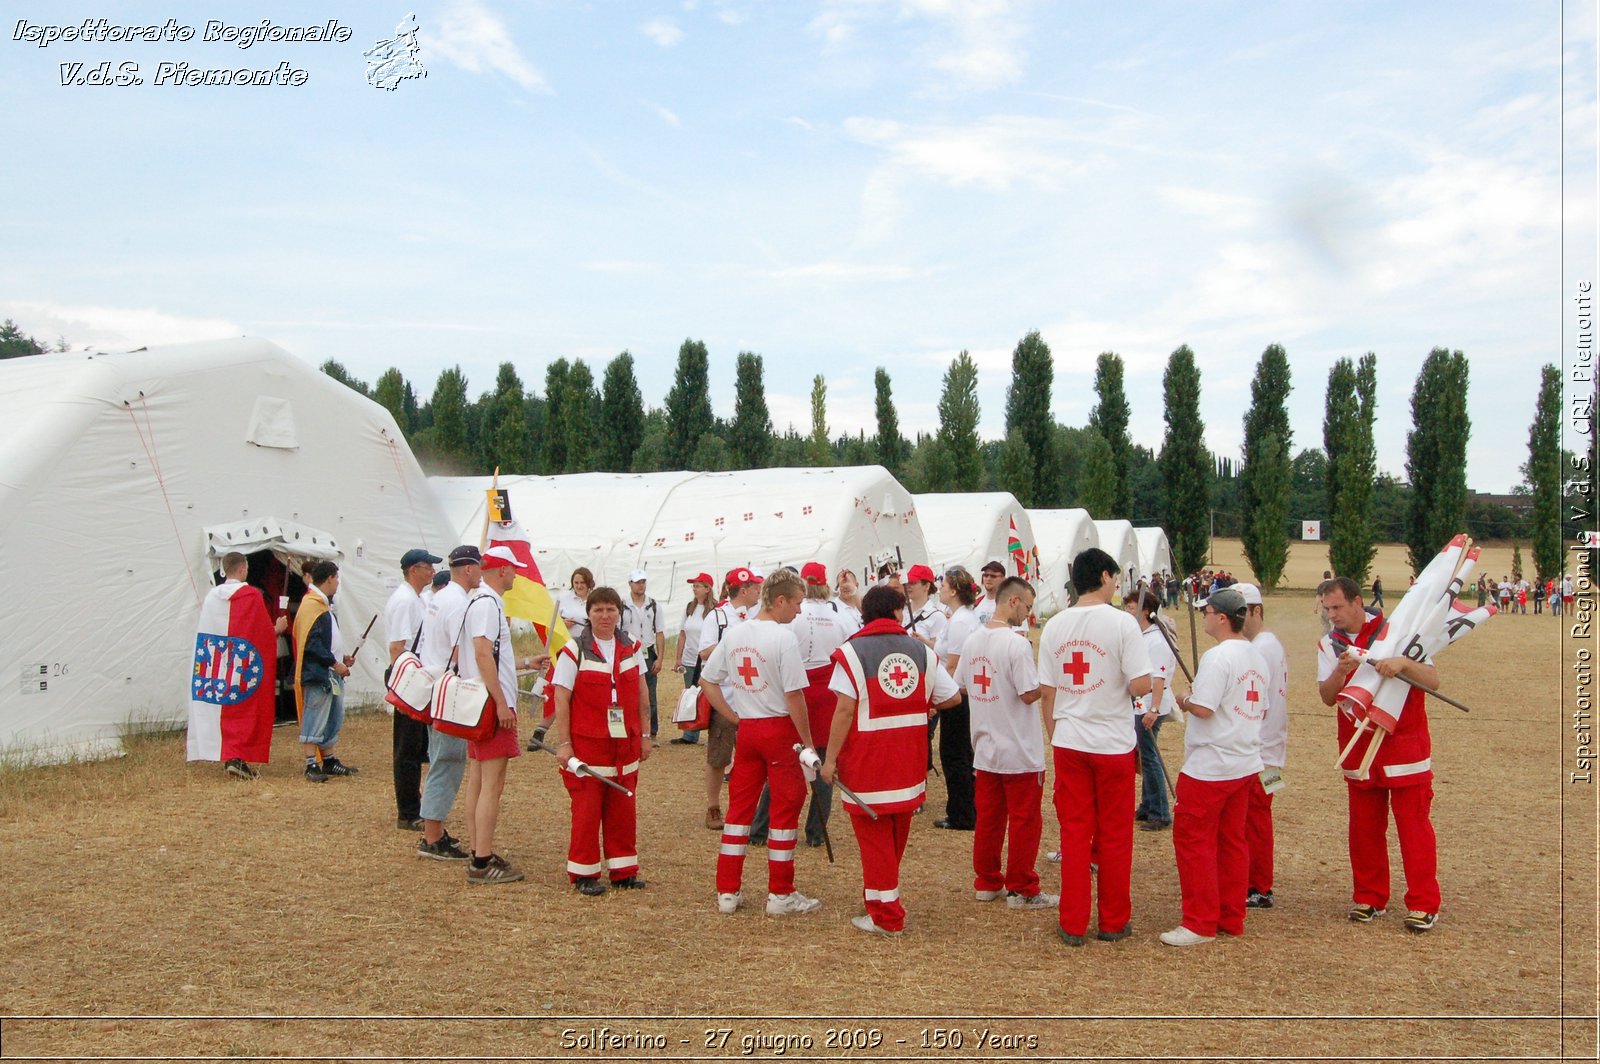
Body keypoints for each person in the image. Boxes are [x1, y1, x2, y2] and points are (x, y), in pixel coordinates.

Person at [821, 585, 962, 936]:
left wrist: (830, 759)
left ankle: (886, 916)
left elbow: (843, 710)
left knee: (874, 841)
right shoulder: (922, 652)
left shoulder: (852, 653)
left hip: (867, 762)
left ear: (865, 613)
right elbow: (952, 697)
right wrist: (922, 706)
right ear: (898, 612)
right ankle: (881, 899)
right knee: (894, 836)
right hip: (909, 759)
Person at [1037, 548, 1152, 946]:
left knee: (1074, 832)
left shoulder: (1054, 626)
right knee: (1116, 834)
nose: (1117, 585)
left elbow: (1047, 692)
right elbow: (1140, 686)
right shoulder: (1123, 624)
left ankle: (1072, 922)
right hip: (1112, 743)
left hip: (1069, 740)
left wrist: (1055, 734)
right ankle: (1114, 921)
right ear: (1103, 576)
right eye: (1115, 578)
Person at [1317, 576, 1443, 933]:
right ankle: (1370, 897)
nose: (1332, 616)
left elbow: (1432, 680)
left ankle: (1423, 903)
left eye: (1338, 607)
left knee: (1414, 827)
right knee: (1364, 828)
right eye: (1327, 609)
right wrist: (1340, 673)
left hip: (1404, 742)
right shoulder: (1329, 644)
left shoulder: (1399, 632)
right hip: (1358, 746)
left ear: (1358, 602)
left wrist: (1403, 663)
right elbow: (1327, 697)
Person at [700, 569, 820, 916]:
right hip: (779, 731)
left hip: (749, 730)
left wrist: (734, 715)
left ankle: (728, 890)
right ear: (779, 600)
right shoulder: (783, 638)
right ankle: (780, 893)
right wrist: (808, 742)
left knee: (739, 810)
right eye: (797, 603)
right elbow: (795, 695)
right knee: (784, 809)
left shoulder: (736, 633)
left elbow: (709, 680)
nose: (799, 610)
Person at [1160, 587, 1269, 947]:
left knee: (1194, 841)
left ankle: (1200, 921)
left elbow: (1205, 707)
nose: (1203, 616)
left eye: (1207, 612)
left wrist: (1185, 699)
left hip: (1211, 764)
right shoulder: (1255, 655)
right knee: (1232, 840)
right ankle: (1230, 915)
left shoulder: (1218, 658)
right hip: (1244, 761)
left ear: (1222, 618)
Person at [955, 576, 1055, 910]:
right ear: (1013, 601)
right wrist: (1051, 682)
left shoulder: (972, 641)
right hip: (1019, 748)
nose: (1028, 614)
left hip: (985, 746)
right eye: (1027, 606)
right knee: (1025, 820)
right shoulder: (1016, 645)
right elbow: (1029, 694)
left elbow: (965, 686)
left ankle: (987, 881)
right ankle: (1022, 887)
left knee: (990, 819)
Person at [551, 585, 650, 895]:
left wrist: (646, 735)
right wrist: (564, 743)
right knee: (587, 811)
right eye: (598, 610)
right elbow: (562, 698)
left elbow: (644, 694)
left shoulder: (633, 647)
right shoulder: (573, 650)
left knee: (623, 808)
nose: (605, 616)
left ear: (618, 614)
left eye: (610, 610)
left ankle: (623, 870)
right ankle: (584, 872)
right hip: (588, 745)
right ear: (589, 614)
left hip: (625, 744)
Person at [457, 546, 526, 884]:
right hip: (489, 702)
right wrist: (501, 702)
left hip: (478, 701)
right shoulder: (487, 603)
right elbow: (484, 653)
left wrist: (523, 665)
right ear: (501, 571)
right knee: (491, 782)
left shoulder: (478, 601)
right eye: (512, 569)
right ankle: (482, 860)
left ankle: (477, 849)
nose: (515, 575)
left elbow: (485, 655)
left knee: (480, 779)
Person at [187, 551, 287, 780]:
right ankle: (237, 756)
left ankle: (230, 756)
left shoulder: (211, 597)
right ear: (242, 569)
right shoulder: (252, 596)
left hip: (219, 667)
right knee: (244, 709)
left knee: (225, 709)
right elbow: (261, 636)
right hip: (241, 668)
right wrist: (277, 630)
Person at [414, 546, 481, 862]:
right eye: (478, 567)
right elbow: (460, 651)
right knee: (448, 760)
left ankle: (434, 829)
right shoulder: (458, 603)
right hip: (448, 689)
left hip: (433, 684)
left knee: (441, 757)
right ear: (469, 569)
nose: (481, 572)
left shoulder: (439, 597)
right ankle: (431, 836)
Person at [1233, 584, 1289, 909]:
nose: (1240, 620)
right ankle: (1257, 881)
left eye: (1245, 612)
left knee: (1255, 819)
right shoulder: (1268, 645)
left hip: (1262, 751)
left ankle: (1258, 885)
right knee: (1258, 817)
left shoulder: (1261, 648)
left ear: (1257, 611)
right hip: (1270, 748)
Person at [697, 569, 764, 829]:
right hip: (724, 697)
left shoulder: (758, 615)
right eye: (755, 588)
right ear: (743, 590)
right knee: (719, 757)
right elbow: (704, 651)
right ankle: (713, 806)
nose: (759, 592)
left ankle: (747, 808)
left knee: (752, 758)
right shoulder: (718, 616)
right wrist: (734, 644)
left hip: (753, 696)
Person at [385, 548, 442, 828]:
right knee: (407, 748)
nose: (431, 571)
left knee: (416, 746)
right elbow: (397, 646)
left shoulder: (416, 599)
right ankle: (407, 811)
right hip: (408, 677)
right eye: (426, 567)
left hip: (416, 677)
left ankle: (414, 806)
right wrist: (406, 682)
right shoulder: (405, 601)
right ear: (412, 570)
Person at [293, 559, 357, 783]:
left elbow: (326, 640)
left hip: (330, 673)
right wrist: (333, 662)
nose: (338, 583)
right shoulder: (311, 606)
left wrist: (342, 658)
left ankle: (328, 759)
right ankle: (311, 763)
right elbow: (312, 644)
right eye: (337, 578)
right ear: (329, 578)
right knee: (315, 716)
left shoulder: (323, 606)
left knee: (332, 717)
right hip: (318, 673)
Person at [932, 566, 982, 830]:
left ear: (953, 591)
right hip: (957, 694)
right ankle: (964, 809)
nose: (939, 589)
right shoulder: (959, 618)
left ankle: (962, 813)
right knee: (958, 753)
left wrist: (940, 698)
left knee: (955, 755)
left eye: (943, 586)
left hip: (957, 696)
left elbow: (954, 664)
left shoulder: (961, 621)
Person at [1124, 588, 1176, 831]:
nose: (1128, 612)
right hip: (1141, 705)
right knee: (1143, 756)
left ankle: (1160, 811)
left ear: (1145, 611)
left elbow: (1159, 678)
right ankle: (1147, 805)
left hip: (1150, 705)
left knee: (1150, 758)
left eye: (1132, 608)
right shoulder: (1142, 635)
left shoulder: (1156, 639)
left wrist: (1153, 709)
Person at [622, 569, 666, 740]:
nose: (641, 585)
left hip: (648, 653)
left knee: (650, 693)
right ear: (630, 584)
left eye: (643, 582)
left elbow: (660, 632)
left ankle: (651, 731)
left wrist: (660, 658)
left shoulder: (654, 605)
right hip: (628, 653)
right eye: (637, 582)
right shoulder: (621, 604)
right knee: (627, 692)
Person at [672, 573, 716, 745]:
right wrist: (678, 658)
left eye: (698, 585)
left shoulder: (714, 610)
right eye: (694, 586)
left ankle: (711, 731)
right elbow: (683, 634)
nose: (694, 588)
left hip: (706, 661)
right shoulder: (689, 608)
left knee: (709, 696)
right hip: (690, 659)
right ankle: (690, 733)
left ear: (707, 588)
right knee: (690, 695)